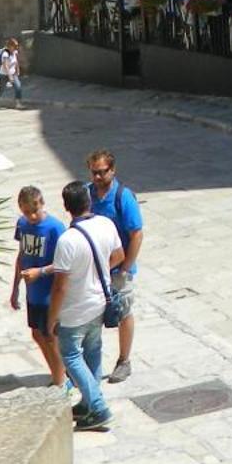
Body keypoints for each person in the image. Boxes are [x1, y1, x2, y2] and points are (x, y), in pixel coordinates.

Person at [48, 181, 123, 432]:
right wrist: (99, 269)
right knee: (93, 350)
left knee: (70, 356)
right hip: (100, 303)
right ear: (88, 201)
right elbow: (119, 256)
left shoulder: (67, 240)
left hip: (75, 310)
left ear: (67, 207)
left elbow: (60, 286)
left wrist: (52, 317)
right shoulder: (105, 224)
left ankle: (99, 407)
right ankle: (89, 403)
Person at [83, 149, 144, 384]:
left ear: (113, 170)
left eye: (102, 172)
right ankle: (91, 362)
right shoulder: (88, 194)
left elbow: (136, 234)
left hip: (119, 268)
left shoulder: (122, 197)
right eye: (94, 173)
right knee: (92, 313)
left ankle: (124, 360)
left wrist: (126, 267)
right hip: (96, 267)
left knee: (123, 312)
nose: (98, 177)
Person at [8, 186, 67, 395]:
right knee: (37, 334)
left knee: (51, 335)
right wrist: (15, 288)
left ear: (42, 204)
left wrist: (40, 272)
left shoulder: (55, 228)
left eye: (35, 211)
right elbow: (22, 255)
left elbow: (65, 263)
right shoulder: (23, 225)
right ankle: (57, 373)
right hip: (33, 292)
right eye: (26, 212)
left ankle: (61, 381)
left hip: (50, 291)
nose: (31, 216)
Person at [0, 37, 25, 109]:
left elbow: (16, 61)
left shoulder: (15, 52)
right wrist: (9, 76)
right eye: (14, 46)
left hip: (13, 73)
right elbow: (5, 65)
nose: (16, 48)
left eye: (16, 46)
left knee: (18, 87)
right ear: (10, 46)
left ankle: (18, 103)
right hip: (4, 74)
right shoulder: (5, 54)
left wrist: (17, 69)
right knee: (2, 89)